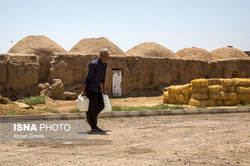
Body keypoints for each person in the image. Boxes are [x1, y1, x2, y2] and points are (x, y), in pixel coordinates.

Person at [81, 48, 110, 132]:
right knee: (94, 107)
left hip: (98, 89)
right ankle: (94, 127)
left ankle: (89, 119)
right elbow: (87, 78)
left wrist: (104, 89)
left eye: (107, 56)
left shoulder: (104, 64)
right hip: (90, 89)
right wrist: (83, 90)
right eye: (105, 56)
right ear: (100, 56)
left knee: (101, 106)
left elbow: (103, 78)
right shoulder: (93, 64)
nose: (106, 58)